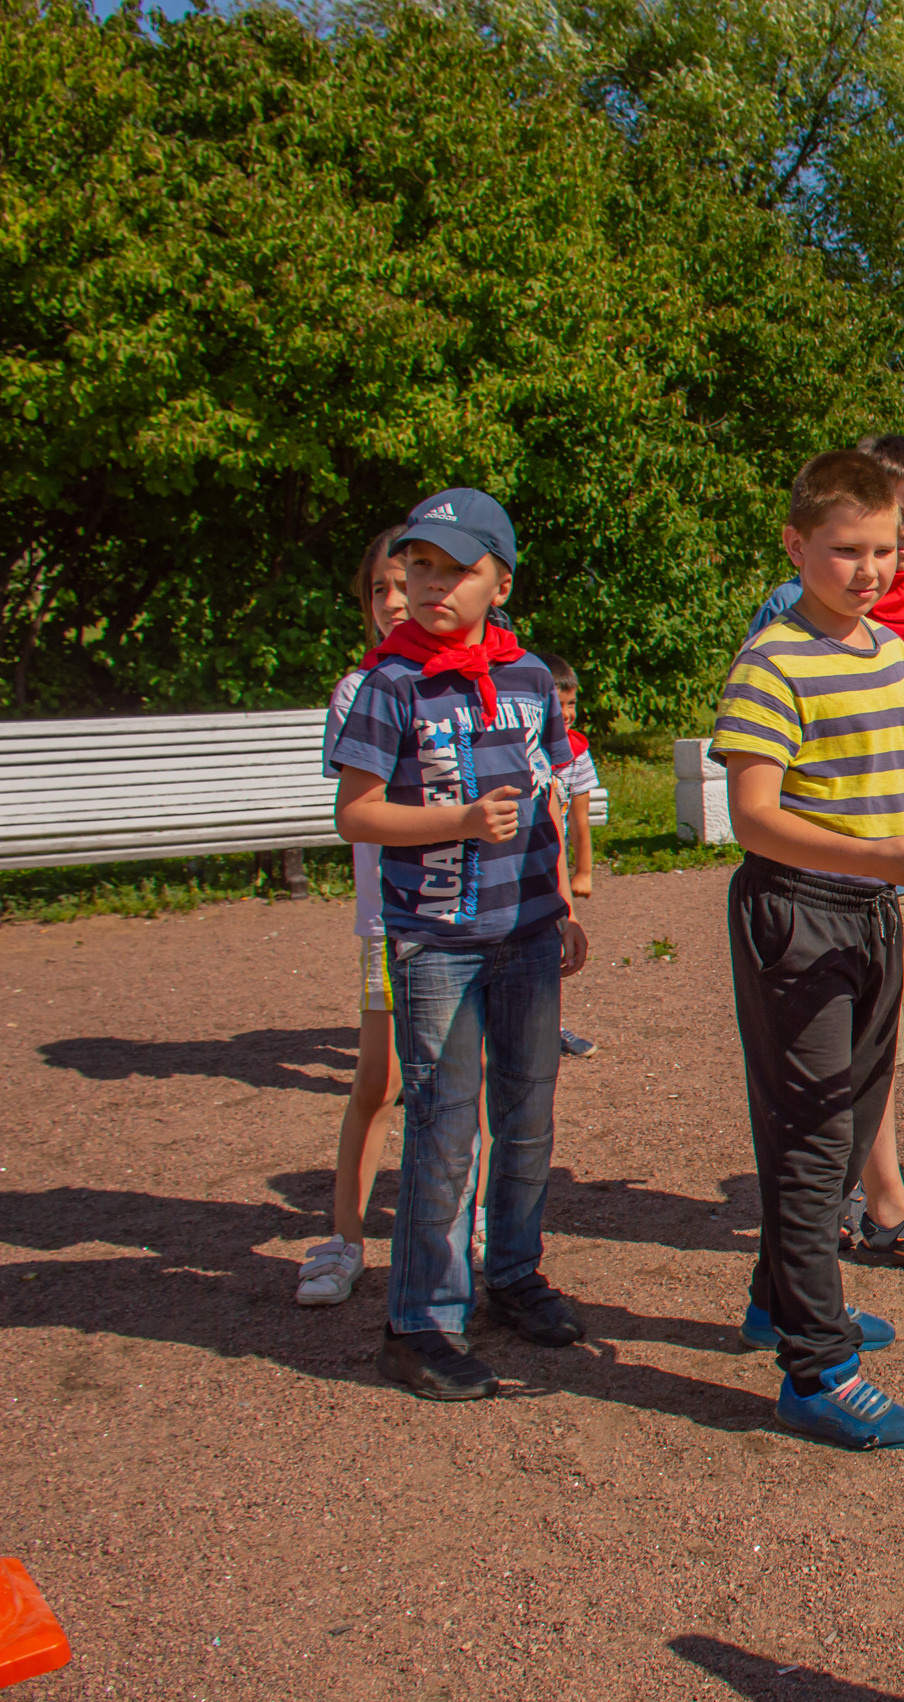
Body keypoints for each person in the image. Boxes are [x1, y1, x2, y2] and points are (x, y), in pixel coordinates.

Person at [714, 448, 904, 1451]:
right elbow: (752, 819)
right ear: (796, 545)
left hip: (874, 907)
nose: (870, 569)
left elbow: (899, 796)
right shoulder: (769, 661)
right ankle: (816, 1369)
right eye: (845, 550)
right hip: (795, 911)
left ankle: (778, 1305)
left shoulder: (889, 652)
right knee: (808, 1146)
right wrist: (868, 854)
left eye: (885, 549)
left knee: (843, 1128)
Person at [333, 488, 593, 1400]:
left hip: (526, 931)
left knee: (528, 1117)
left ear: (502, 582)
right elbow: (354, 813)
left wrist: (560, 903)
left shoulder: (528, 679)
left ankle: (513, 1276)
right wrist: (456, 820)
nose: (430, 584)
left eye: (457, 568)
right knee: (445, 1129)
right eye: (421, 566)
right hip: (436, 941)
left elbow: (555, 792)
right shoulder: (388, 683)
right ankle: (420, 1325)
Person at [744, 436, 904, 1273]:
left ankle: (837, 1229)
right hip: (816, 876)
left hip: (903, 848)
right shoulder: (790, 622)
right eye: (892, 524)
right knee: (821, 1077)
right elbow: (762, 796)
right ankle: (856, 1221)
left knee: (880, 1051)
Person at [294, 528, 408, 1306]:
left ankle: (469, 1229)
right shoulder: (357, 692)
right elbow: (361, 812)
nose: (396, 602)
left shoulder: (492, 684)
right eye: (379, 590)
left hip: (480, 926)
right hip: (393, 927)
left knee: (470, 1082)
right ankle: (344, 1237)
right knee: (381, 1078)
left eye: (410, 583)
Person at [534, 654, 603, 1057]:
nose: (567, 713)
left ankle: (551, 1025)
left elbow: (580, 820)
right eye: (557, 705)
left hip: (553, 869)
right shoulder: (519, 748)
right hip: (525, 864)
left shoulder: (574, 753)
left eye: (571, 704)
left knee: (556, 946)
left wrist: (584, 871)